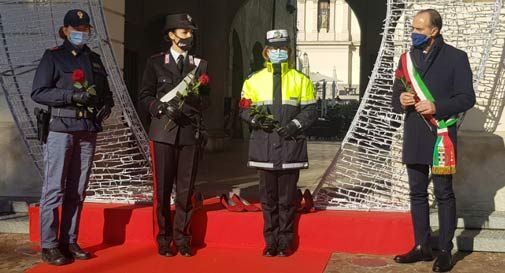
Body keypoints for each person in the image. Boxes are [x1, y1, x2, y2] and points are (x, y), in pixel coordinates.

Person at [391, 9, 475, 272]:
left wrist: (437, 106)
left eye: (418, 29)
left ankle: (445, 250)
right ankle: (421, 245)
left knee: (443, 193)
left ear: (433, 30)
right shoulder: (406, 59)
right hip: (415, 133)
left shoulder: (456, 58)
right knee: (416, 193)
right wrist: (401, 100)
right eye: (413, 28)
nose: (413, 33)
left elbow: (466, 98)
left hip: (441, 136)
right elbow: (395, 96)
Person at [31, 9, 114, 266]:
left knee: (77, 190)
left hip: (87, 129)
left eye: (85, 28)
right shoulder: (54, 57)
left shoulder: (95, 59)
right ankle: (50, 244)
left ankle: (69, 239)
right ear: (66, 30)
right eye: (76, 28)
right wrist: (70, 96)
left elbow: (106, 93)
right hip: (61, 128)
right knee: (54, 188)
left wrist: (106, 106)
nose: (81, 32)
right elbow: (39, 92)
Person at [239, 29, 317, 257]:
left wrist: (294, 124)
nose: (278, 52)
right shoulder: (253, 80)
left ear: (289, 52)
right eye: (274, 49)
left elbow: (311, 110)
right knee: (268, 200)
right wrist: (255, 119)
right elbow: (243, 109)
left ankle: (286, 241)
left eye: (283, 48)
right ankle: (270, 242)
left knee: (287, 199)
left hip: (290, 147)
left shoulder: (301, 80)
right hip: (263, 147)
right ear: (266, 52)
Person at [138, 13, 208, 257]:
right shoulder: (156, 62)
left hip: (189, 133)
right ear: (171, 34)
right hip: (162, 133)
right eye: (184, 32)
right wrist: (159, 107)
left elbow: (206, 100)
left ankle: (183, 238)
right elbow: (145, 95)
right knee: (163, 190)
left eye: (191, 32)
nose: (189, 36)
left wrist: (196, 103)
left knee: (186, 189)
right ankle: (163, 238)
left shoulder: (200, 65)